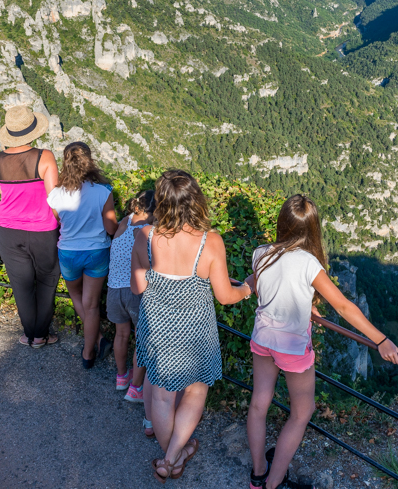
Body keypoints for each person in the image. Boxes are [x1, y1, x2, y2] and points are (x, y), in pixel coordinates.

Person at [244, 195, 398, 489]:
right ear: (312, 229)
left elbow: (267, 286)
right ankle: (274, 483)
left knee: (258, 405)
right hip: (292, 349)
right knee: (302, 412)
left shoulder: (260, 253)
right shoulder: (309, 264)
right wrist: (380, 340)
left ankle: (257, 475)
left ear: (282, 223)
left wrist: (304, 305)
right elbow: (343, 307)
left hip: (262, 340)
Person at [131, 170, 252, 481]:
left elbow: (138, 288)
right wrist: (248, 288)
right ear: (196, 201)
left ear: (160, 202)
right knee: (196, 391)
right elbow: (225, 296)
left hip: (156, 325)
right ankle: (173, 457)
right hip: (194, 331)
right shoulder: (209, 243)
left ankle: (173, 456)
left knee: (159, 395)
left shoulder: (145, 236)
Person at [0, 105, 61, 348]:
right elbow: (54, 199)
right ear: (34, 131)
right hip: (42, 230)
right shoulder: (44, 157)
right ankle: (40, 335)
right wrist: (61, 223)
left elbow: (2, 190)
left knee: (21, 284)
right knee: (46, 281)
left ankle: (28, 334)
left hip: (7, 230)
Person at [47, 141, 118, 366]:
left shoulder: (56, 194)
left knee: (76, 296)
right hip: (97, 252)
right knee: (92, 304)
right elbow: (111, 229)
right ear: (90, 161)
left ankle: (95, 342)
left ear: (65, 163)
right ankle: (89, 352)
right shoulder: (103, 192)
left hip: (68, 252)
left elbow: (59, 221)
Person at [106, 190, 153, 406]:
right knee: (142, 339)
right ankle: (135, 388)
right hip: (135, 291)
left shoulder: (124, 222)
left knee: (121, 335)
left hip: (114, 289)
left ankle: (121, 376)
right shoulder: (146, 231)